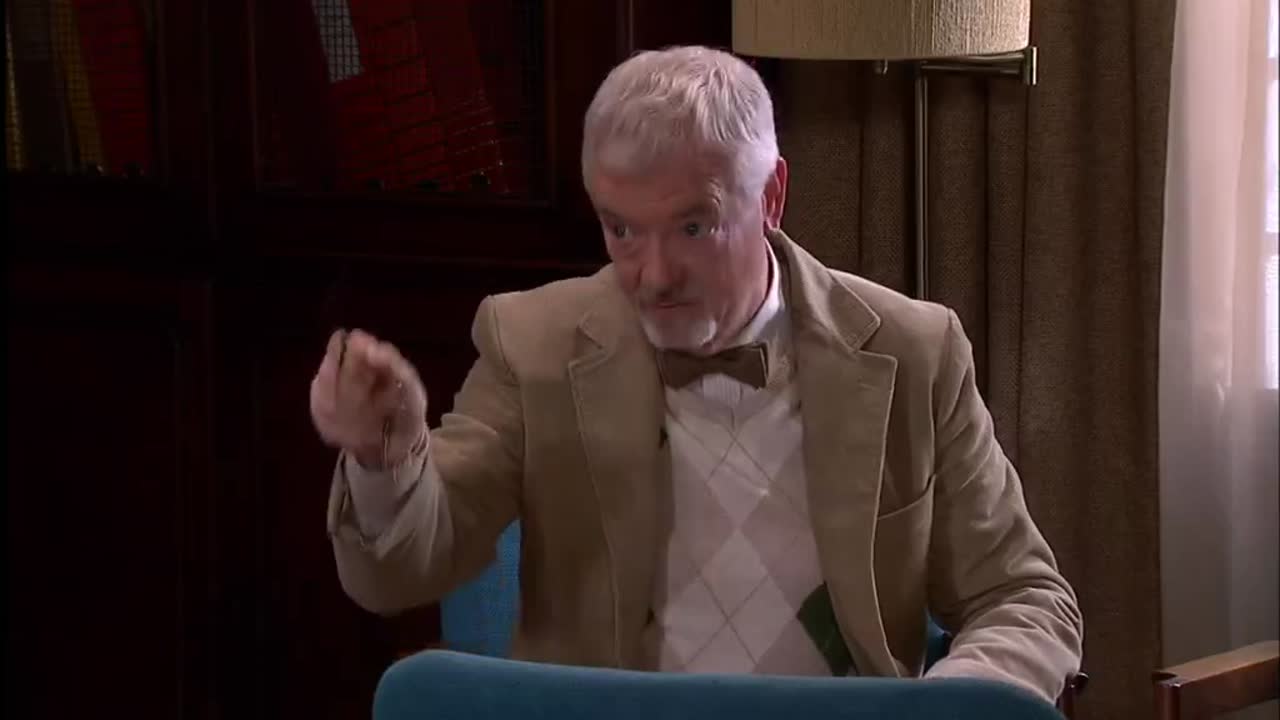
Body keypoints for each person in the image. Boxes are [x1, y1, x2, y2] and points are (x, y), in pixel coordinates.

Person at [310, 45, 1083, 703]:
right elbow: (402, 570)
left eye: (692, 226)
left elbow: (1022, 595)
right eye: (622, 230)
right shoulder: (532, 342)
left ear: (771, 196)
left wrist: (951, 709)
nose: (652, 276)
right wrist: (385, 458)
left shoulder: (915, 351)